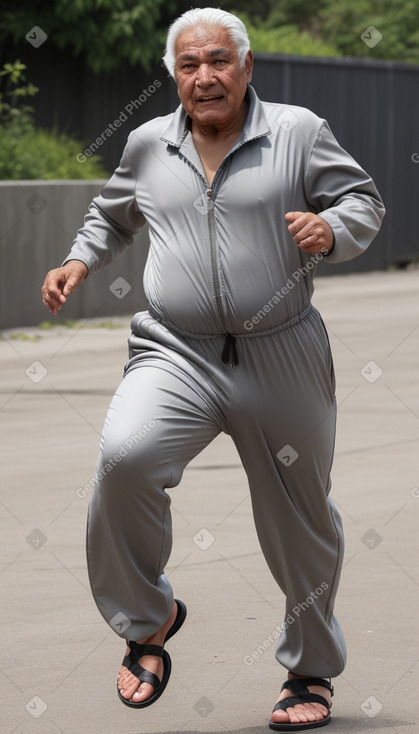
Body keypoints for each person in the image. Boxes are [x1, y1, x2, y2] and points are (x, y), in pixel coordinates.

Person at [41, 7, 385, 730]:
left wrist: (331, 230)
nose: (205, 77)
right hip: (176, 350)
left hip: (280, 351)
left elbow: (362, 201)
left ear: (246, 67)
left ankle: (310, 670)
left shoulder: (296, 132)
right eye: (189, 65)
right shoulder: (147, 144)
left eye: (218, 62)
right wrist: (77, 260)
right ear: (174, 76)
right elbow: (111, 214)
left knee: (298, 517)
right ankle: (148, 619)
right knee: (125, 457)